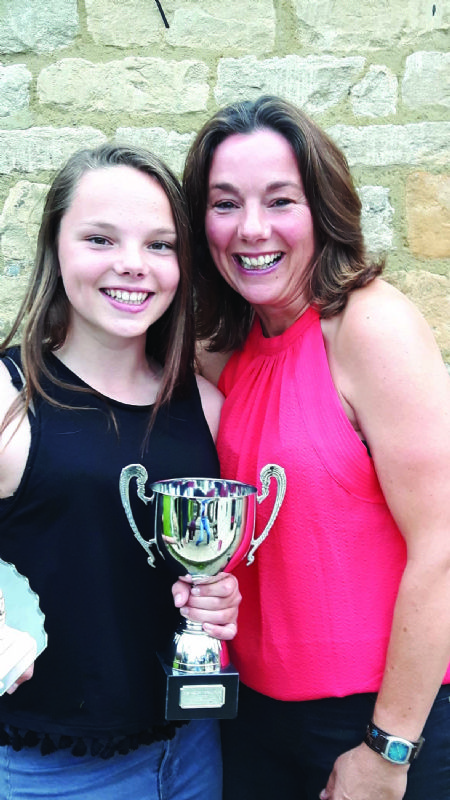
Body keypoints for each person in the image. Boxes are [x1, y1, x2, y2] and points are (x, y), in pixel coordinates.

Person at [182, 96, 450, 800]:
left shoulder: (370, 328)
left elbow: (445, 545)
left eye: (280, 200)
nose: (251, 229)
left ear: (322, 208)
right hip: (253, 724)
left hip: (384, 722)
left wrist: (387, 752)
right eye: (224, 203)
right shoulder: (227, 349)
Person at [0, 142, 241, 799]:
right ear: (56, 247)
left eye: (160, 245)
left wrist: (216, 598)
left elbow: (188, 571)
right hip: (50, 772)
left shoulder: (207, 405)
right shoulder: (8, 398)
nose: (132, 266)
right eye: (100, 239)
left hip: (191, 753)